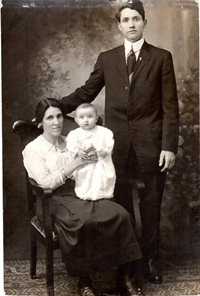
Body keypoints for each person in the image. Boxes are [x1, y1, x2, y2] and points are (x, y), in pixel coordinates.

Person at [59, 0, 179, 285]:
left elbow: (170, 106)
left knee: (151, 206)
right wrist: (53, 107)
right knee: (119, 208)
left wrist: (168, 146)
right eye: (126, 20)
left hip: (151, 147)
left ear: (144, 22)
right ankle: (124, 264)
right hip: (115, 149)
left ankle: (150, 261)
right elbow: (87, 90)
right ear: (119, 25)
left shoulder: (161, 57)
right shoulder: (107, 57)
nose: (132, 24)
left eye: (136, 18)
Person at [22, 98, 145, 296]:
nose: (56, 122)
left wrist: (96, 157)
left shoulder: (73, 141)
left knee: (121, 214)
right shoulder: (33, 150)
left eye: (59, 116)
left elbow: (95, 165)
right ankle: (84, 281)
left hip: (82, 190)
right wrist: (75, 163)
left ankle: (124, 277)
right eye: (50, 118)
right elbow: (45, 183)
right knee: (83, 221)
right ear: (40, 122)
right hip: (51, 199)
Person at [66, 103, 116, 201]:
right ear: (76, 120)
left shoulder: (104, 132)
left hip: (100, 163)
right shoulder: (74, 134)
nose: (86, 120)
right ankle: (86, 195)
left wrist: (105, 150)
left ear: (96, 119)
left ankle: (101, 194)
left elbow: (109, 142)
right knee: (85, 178)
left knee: (101, 177)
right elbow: (70, 145)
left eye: (90, 117)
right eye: (82, 117)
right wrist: (78, 151)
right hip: (84, 164)